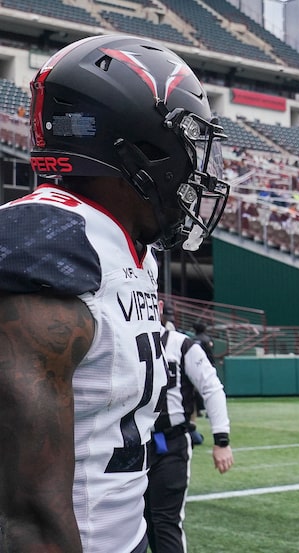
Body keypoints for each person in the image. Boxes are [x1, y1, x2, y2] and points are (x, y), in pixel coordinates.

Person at [0, 34, 228, 553]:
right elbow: (31, 515)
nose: (195, 174)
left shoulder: (125, 248)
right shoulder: (48, 251)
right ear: (139, 152)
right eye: (185, 151)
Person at [145, 319, 234, 553]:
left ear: (159, 307)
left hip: (170, 441)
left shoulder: (182, 345)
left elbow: (212, 388)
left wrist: (221, 440)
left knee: (165, 519)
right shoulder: (124, 342)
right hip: (132, 443)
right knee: (135, 522)